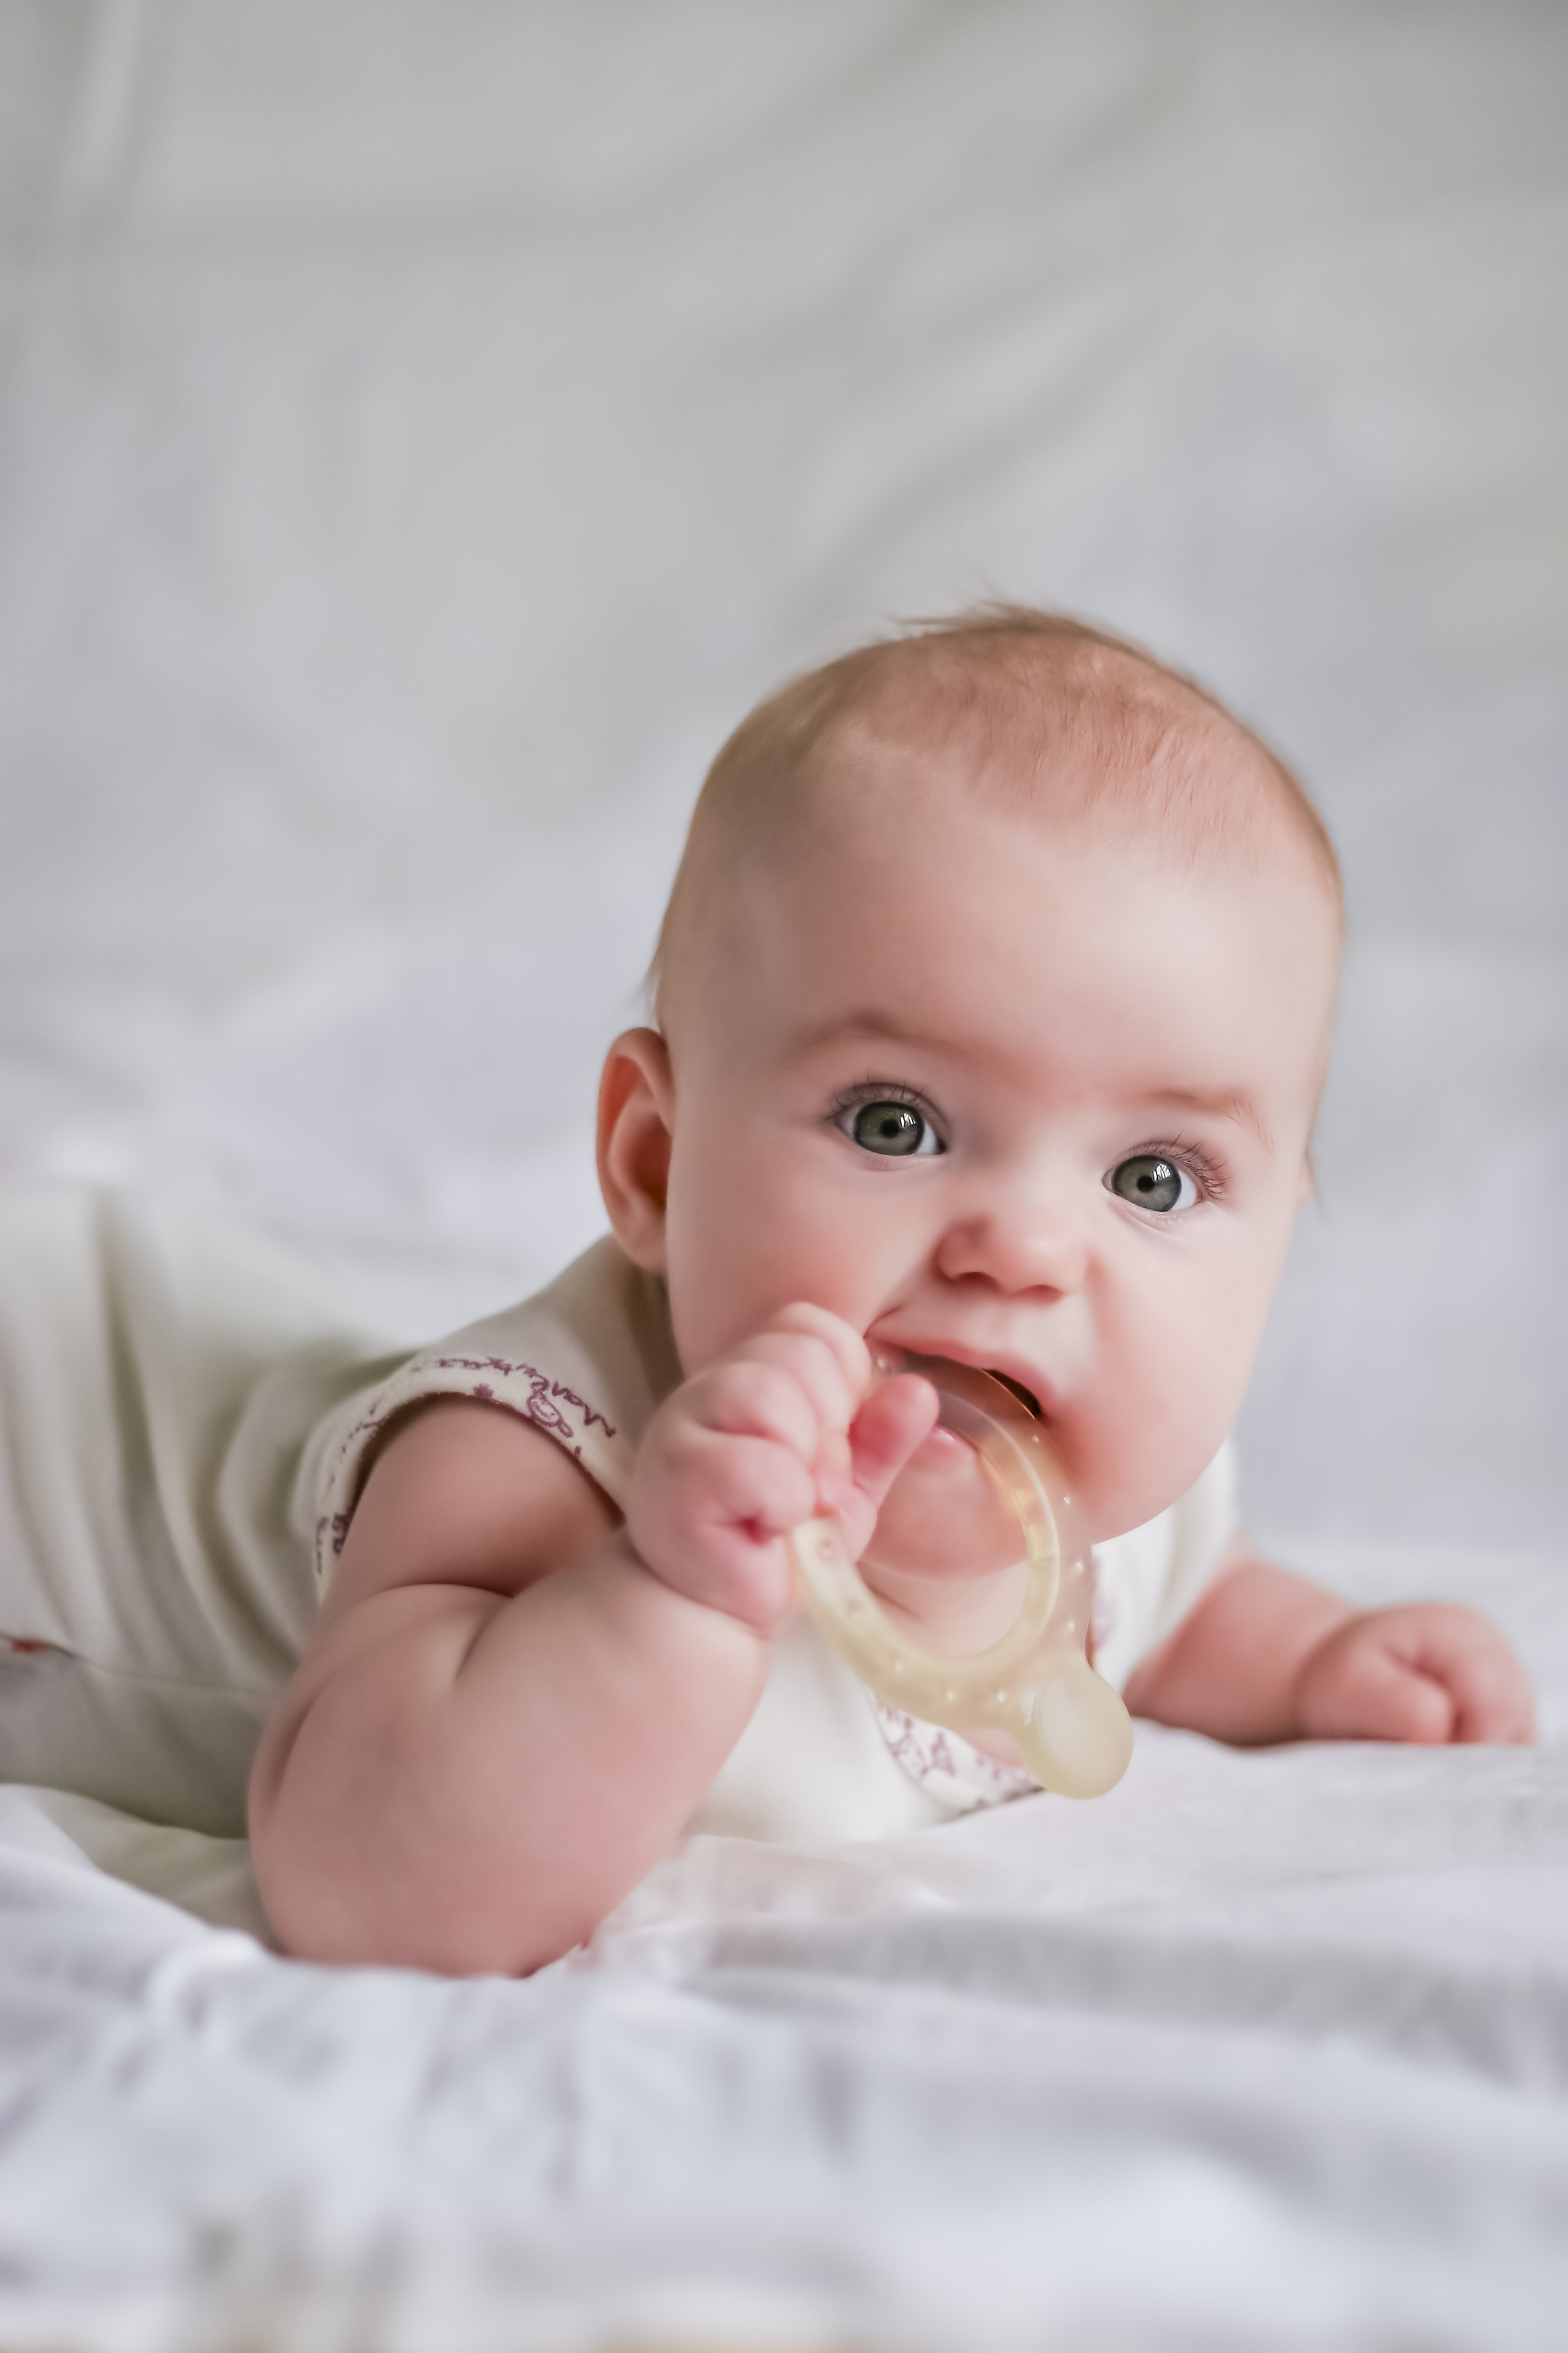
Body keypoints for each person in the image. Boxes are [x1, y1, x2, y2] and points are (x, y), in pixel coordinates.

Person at [247, 608, 1534, 1976]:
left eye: (1152, 1179)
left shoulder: (1115, 1512)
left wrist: (1316, 1661)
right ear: (657, 1164)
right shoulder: (530, 1465)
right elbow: (372, 1892)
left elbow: (1177, 1608)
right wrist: (667, 1602)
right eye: (893, 1125)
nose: (1023, 1249)